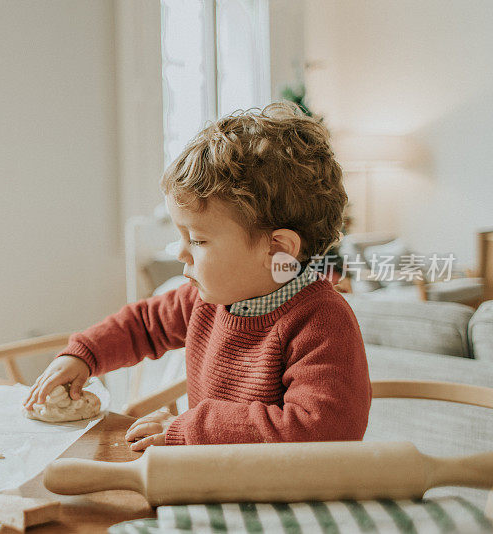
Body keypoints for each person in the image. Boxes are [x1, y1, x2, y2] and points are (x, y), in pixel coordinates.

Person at [24, 102, 371, 451]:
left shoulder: (322, 321)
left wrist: (191, 428)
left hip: (284, 499)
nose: (180, 251)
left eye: (198, 240)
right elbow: (141, 324)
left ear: (278, 250)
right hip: (212, 477)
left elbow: (322, 430)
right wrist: (84, 355)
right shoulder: (202, 300)